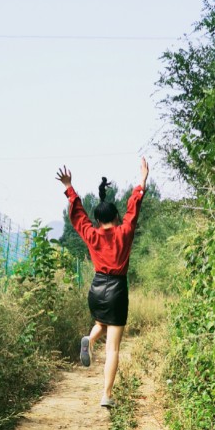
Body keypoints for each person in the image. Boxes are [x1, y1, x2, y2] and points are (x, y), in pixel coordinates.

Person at [55, 158, 149, 408]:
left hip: (97, 288)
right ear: (116, 218)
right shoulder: (124, 231)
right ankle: (107, 395)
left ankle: (90, 338)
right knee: (114, 349)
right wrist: (141, 181)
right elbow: (133, 208)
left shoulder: (92, 233)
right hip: (117, 289)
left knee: (101, 322)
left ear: (98, 221)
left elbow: (78, 216)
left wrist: (69, 188)